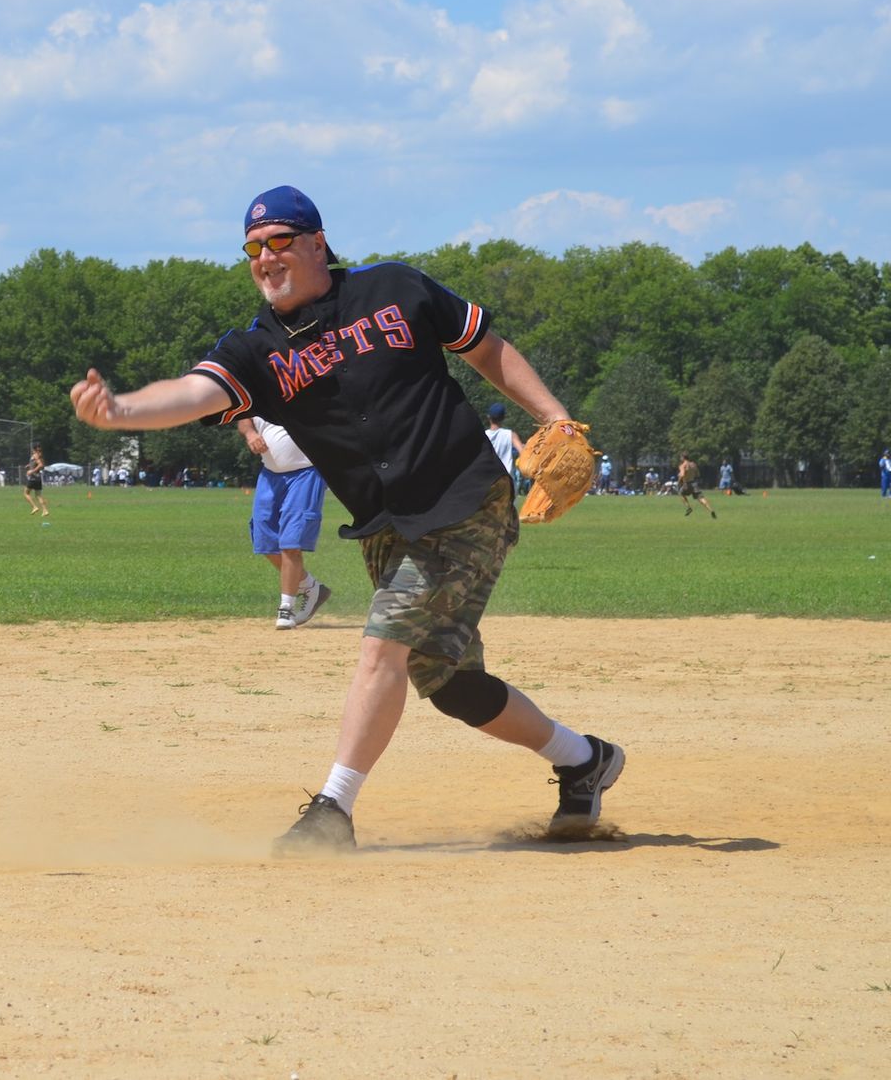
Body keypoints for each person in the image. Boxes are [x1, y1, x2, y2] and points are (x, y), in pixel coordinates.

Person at [70, 184, 622, 851]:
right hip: (387, 524)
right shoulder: (257, 349)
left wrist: (554, 416)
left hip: (465, 497)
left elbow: (485, 347)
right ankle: (582, 758)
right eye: (253, 247)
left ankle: (333, 808)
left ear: (317, 243)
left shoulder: (394, 288)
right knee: (451, 684)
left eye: (279, 241)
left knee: (381, 644)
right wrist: (121, 410)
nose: (265, 257)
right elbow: (193, 390)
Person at [235, 416, 332, 629]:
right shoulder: (258, 388)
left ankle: (286, 608)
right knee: (264, 540)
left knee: (291, 542)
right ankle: (310, 586)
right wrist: (250, 433)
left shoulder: (305, 385)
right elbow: (244, 417)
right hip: (270, 475)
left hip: (306, 472)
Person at [485, 402, 525, 494]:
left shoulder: (484, 435)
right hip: (506, 479)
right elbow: (523, 453)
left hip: (488, 479)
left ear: (488, 417)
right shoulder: (510, 434)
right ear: (503, 418)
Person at [23, 443, 50, 520]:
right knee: (38, 495)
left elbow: (40, 465)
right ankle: (45, 510)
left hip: (33, 478)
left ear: (33, 449)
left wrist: (31, 471)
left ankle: (34, 507)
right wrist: (29, 465)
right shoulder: (39, 455)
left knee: (26, 493)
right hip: (38, 478)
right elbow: (38, 463)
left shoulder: (35, 455)